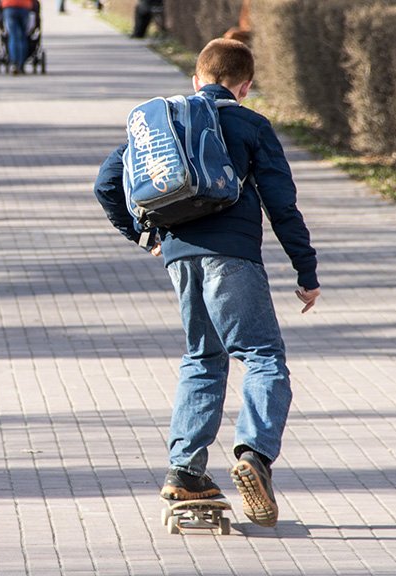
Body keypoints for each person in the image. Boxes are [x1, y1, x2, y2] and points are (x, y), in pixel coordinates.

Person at [93, 38, 321, 528]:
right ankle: (254, 456)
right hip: (233, 257)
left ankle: (186, 472)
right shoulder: (251, 124)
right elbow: (281, 205)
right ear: (245, 86)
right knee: (262, 356)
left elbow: (106, 182)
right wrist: (306, 271)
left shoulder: (166, 124)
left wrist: (143, 237)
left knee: (203, 357)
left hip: (179, 259)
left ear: (196, 79)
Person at [0, 0, 34, 74]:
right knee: (23, 36)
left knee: (13, 36)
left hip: (9, 6)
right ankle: (21, 63)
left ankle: (15, 62)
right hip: (24, 7)